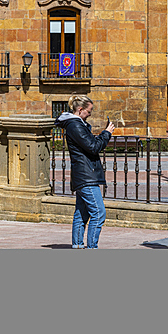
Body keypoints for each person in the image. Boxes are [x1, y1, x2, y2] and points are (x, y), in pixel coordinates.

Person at [55, 95, 115, 249]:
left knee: (82, 213)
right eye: (89, 111)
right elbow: (94, 147)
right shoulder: (75, 126)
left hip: (84, 174)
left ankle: (77, 245)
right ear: (80, 109)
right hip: (86, 176)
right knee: (98, 212)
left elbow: (90, 144)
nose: (90, 114)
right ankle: (91, 247)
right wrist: (106, 133)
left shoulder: (77, 124)